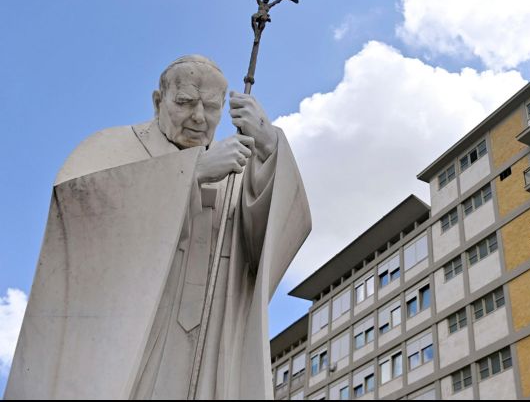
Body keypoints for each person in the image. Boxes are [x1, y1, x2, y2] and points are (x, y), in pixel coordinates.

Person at [5, 55, 311, 400]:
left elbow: (275, 238)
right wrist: (190, 174)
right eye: (185, 102)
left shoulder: (235, 169)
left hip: (210, 345)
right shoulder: (113, 148)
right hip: (127, 341)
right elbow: (76, 218)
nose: (198, 117)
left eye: (211, 107)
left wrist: (270, 150)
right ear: (157, 101)